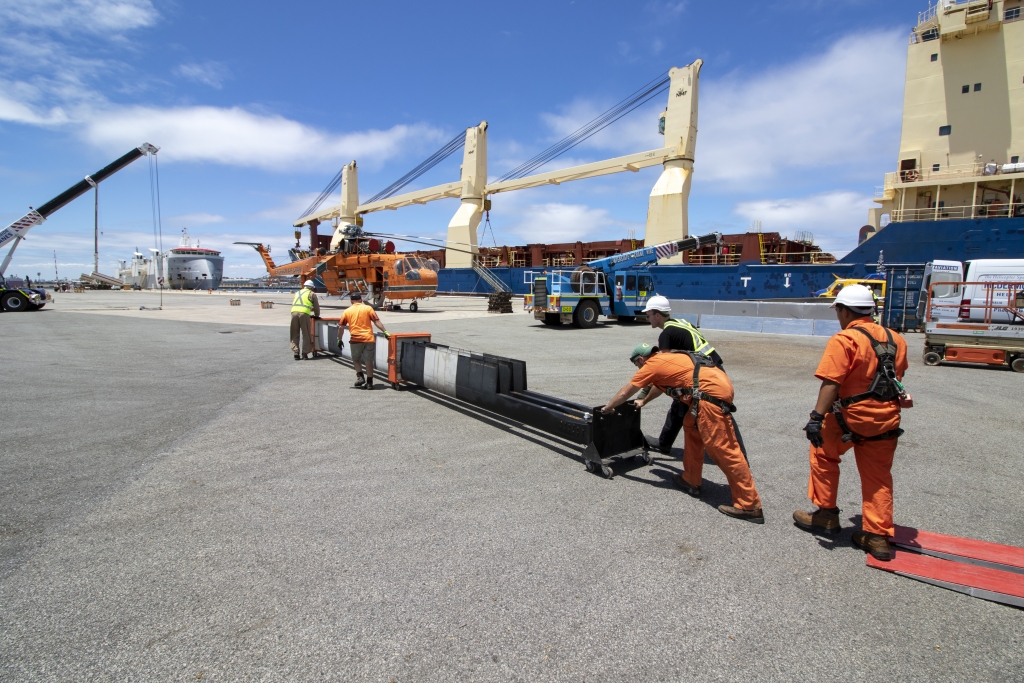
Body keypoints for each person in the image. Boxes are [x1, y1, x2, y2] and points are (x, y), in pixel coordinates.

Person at [794, 284, 911, 562]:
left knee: (823, 454)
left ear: (845, 311)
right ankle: (877, 536)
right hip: (886, 419)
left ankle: (826, 515)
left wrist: (816, 418)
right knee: (878, 477)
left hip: (848, 418)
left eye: (838, 311)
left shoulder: (845, 339)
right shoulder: (896, 339)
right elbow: (896, 377)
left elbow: (831, 382)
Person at [601, 343, 764, 524]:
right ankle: (691, 479)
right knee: (691, 426)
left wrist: (609, 407)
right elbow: (659, 386)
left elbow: (625, 392)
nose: (638, 367)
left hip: (709, 396)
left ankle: (749, 506)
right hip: (711, 389)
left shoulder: (651, 365)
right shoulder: (666, 358)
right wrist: (644, 401)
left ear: (640, 359)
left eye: (636, 364)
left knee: (723, 449)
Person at [640, 295, 723, 455]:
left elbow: (662, 372)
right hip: (713, 367)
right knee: (679, 403)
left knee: (718, 412)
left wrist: (644, 398)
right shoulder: (682, 323)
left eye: (648, 315)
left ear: (657, 315)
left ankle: (738, 455)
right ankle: (664, 444)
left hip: (708, 375)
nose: (647, 318)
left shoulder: (666, 335)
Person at [339, 291, 390, 389]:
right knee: (368, 361)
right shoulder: (368, 308)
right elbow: (376, 321)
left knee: (356, 359)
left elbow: (341, 327)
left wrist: (339, 339)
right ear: (361, 300)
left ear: (351, 301)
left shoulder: (347, 311)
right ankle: (369, 383)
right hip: (368, 338)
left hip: (355, 339)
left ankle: (360, 377)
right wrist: (385, 331)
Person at [290, 280, 320, 360]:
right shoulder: (311, 293)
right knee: (306, 333)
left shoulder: (298, 292)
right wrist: (317, 315)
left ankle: (296, 352)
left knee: (294, 333)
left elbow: (300, 303)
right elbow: (316, 306)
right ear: (312, 287)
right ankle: (304, 353)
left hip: (293, 312)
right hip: (304, 313)